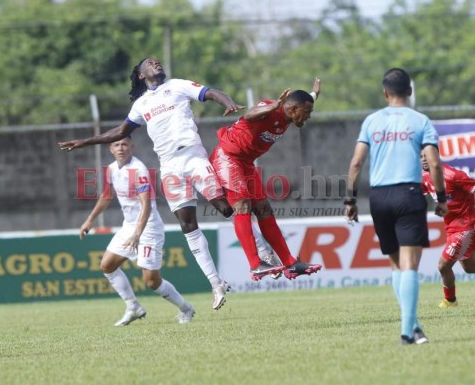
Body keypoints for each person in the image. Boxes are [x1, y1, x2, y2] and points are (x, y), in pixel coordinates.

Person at [59, 57, 275, 309]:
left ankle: (264, 252)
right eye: (150, 63)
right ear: (141, 75)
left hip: (192, 155)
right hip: (169, 166)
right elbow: (120, 132)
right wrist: (84, 141)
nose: (156, 64)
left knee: (226, 208)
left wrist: (227, 102)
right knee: (187, 224)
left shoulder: (178, 85)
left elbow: (211, 92)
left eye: (158, 61)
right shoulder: (141, 104)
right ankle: (216, 284)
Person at [345, 68, 448, 345]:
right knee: (410, 266)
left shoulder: (371, 121)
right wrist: (441, 198)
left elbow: (356, 163)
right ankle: (406, 332)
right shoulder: (421, 121)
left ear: (384, 92)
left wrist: (351, 200)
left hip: (378, 198)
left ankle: (413, 326)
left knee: (395, 265)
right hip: (408, 194)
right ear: (410, 91)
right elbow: (434, 163)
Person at [209, 83, 323, 280]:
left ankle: (290, 263)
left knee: (263, 209)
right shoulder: (270, 108)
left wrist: (313, 94)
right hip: (228, 157)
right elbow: (251, 114)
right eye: (307, 112)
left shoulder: (291, 111)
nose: (308, 117)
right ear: (293, 109)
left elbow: (299, 100)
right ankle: (255, 264)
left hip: (246, 162)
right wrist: (274, 106)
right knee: (243, 206)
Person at [80, 137, 195, 326]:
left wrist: (137, 234)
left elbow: (146, 206)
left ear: (132, 147)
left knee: (151, 282)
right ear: (110, 148)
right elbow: (107, 195)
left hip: (148, 227)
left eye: (124, 144)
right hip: (129, 226)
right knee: (107, 265)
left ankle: (186, 308)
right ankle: (133, 307)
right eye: (116, 145)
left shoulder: (139, 170)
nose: (120, 148)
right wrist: (89, 220)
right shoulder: (111, 169)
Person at [421, 152, 475, 308]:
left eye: (427, 155)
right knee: (470, 268)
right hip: (452, 228)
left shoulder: (453, 175)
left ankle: (450, 301)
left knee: (443, 265)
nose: (424, 159)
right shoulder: (425, 177)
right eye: (421, 156)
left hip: (467, 225)